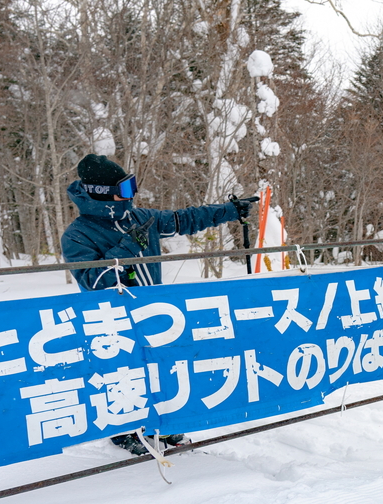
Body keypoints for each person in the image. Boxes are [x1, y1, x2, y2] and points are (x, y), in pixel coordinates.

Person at [61, 153, 257, 455]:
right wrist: (130, 246)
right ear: (103, 194)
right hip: (112, 322)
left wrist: (228, 211)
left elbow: (185, 219)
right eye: (125, 189)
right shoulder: (77, 235)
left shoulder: (140, 219)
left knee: (162, 368)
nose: (133, 194)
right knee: (124, 374)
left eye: (132, 185)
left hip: (154, 313)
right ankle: (127, 431)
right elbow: (93, 282)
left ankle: (163, 424)